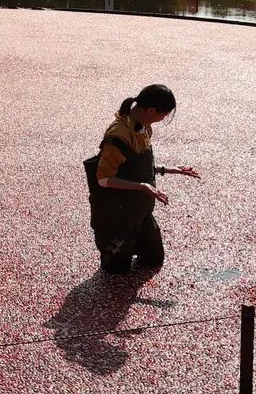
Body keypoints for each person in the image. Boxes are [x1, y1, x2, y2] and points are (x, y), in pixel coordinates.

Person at [85, 84, 201, 273]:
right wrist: (144, 187)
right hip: (117, 212)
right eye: (161, 117)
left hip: (140, 209)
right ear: (150, 110)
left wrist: (170, 169)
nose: (160, 121)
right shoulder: (118, 136)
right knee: (116, 271)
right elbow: (104, 179)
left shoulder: (143, 127)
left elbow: (134, 166)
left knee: (154, 259)